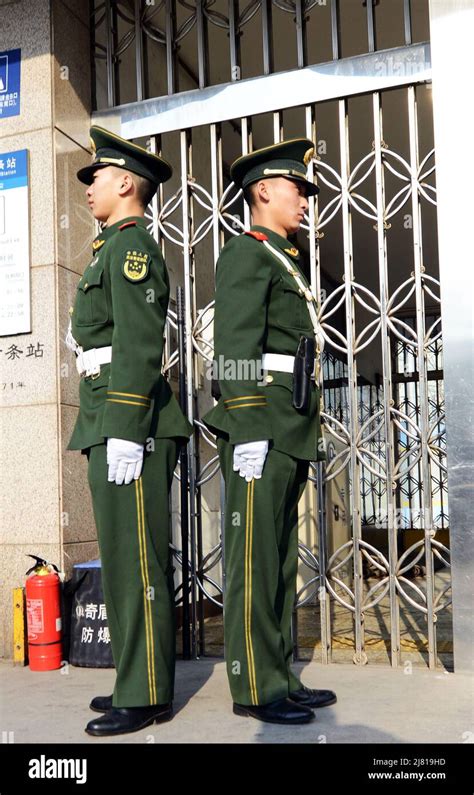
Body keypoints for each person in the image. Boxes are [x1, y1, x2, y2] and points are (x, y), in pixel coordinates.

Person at [203, 138, 336, 725]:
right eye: (297, 188)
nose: (306, 200)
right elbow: (235, 347)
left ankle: (280, 673)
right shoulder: (246, 253)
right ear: (263, 190)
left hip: (291, 420)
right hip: (262, 422)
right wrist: (250, 424)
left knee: (280, 560)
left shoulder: (286, 258)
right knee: (255, 561)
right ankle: (255, 687)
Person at [66, 126, 192, 736]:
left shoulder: (132, 248)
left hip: (130, 421)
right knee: (120, 558)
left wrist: (123, 425)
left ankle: (146, 694)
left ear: (125, 183)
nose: (88, 188)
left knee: (138, 559)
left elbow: (141, 345)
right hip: (107, 414)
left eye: (96, 178)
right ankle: (132, 676)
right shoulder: (106, 249)